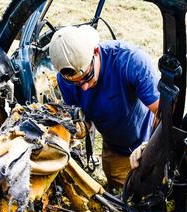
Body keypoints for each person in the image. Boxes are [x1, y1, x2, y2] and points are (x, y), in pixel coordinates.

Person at [49, 25, 160, 187]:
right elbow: (81, 117)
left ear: (95, 52)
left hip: (147, 140)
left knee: (153, 191)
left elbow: (164, 112)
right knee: (120, 189)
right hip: (115, 148)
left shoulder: (131, 61)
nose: (84, 88)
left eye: (87, 77)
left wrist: (150, 147)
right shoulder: (64, 79)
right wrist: (79, 127)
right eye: (76, 83)